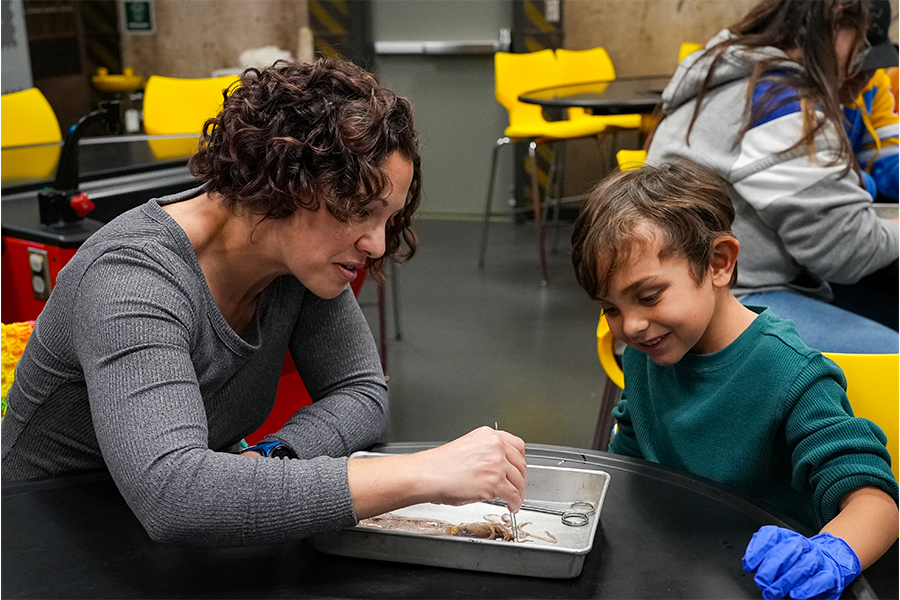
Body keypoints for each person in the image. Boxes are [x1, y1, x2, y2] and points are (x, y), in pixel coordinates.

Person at [0, 58, 527, 545]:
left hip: (172, 547)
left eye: (386, 219)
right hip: (48, 539)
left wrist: (270, 459)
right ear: (286, 182)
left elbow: (360, 390)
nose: (378, 245)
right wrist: (424, 473)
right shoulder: (131, 278)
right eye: (360, 210)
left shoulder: (298, 264)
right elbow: (174, 495)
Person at [570, 158, 898, 600]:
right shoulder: (645, 356)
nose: (630, 326)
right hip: (682, 572)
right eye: (611, 308)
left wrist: (830, 554)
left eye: (648, 296)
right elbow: (630, 464)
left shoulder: (789, 373)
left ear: (719, 263)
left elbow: (876, 503)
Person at [646, 0, 899, 354]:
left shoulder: (741, 77)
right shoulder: (780, 103)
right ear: (839, 18)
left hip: (685, 293)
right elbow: (847, 249)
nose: (857, 71)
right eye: (859, 49)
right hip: (722, 303)